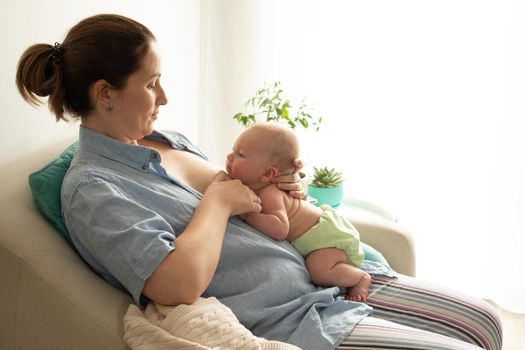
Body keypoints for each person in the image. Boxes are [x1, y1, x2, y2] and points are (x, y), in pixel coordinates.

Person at [16, 14, 502, 350]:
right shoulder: (93, 190)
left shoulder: (168, 138)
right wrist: (218, 203)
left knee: (485, 321)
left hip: (323, 282)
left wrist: (286, 187)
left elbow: (257, 194)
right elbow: (175, 284)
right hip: (292, 320)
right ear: (104, 94)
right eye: (150, 83)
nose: (164, 95)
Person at [227, 122, 372, 302]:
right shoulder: (255, 187)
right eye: (233, 151)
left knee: (318, 270)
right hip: (319, 233)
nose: (229, 157)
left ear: (268, 174)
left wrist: (249, 215)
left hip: (326, 239)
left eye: (240, 154)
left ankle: (359, 277)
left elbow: (280, 228)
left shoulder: (269, 193)